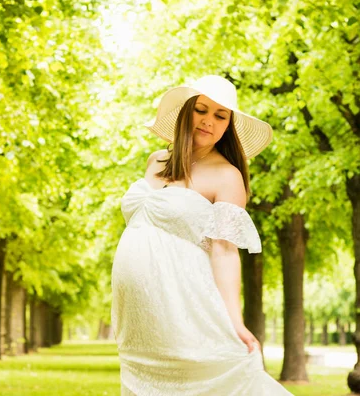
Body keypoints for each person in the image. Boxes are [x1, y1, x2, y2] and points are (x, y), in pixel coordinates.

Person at [111, 75, 293, 395]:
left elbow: (224, 251)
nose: (209, 121)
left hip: (184, 299)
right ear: (185, 113)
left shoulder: (227, 176)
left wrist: (234, 320)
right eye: (201, 110)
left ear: (227, 126)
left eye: (220, 116)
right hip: (138, 316)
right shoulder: (156, 162)